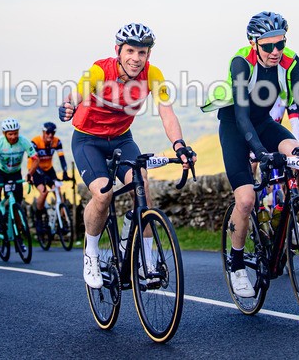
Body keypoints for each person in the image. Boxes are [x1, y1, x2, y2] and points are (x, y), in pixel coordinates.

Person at [201, 11, 299, 298]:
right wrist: (260, 153)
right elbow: (242, 115)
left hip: (264, 122)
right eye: (268, 46)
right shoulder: (241, 62)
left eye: (280, 44)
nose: (275, 52)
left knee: (295, 155)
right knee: (246, 200)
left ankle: (291, 215)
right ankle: (236, 265)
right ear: (253, 43)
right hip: (236, 125)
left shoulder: (291, 61)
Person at [58, 22, 196, 289]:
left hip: (122, 139)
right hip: (89, 140)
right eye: (130, 50)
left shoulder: (153, 74)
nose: (136, 58)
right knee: (103, 194)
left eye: (142, 52)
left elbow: (166, 112)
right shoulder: (101, 70)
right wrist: (69, 104)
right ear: (118, 50)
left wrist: (179, 144)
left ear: (148, 55)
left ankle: (145, 257)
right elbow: (80, 91)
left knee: (141, 186)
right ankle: (91, 253)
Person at [0, 118, 39, 208]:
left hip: (15, 171)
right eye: (10, 134)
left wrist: (30, 173)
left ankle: (17, 219)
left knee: (18, 200)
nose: (13, 137)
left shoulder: (23, 141)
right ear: (4, 134)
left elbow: (36, 159)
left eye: (15, 133)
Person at [29, 122, 70, 232]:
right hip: (35, 169)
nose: (50, 135)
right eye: (48, 132)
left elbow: (62, 158)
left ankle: (63, 221)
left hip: (49, 169)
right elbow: (34, 160)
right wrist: (41, 175)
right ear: (43, 132)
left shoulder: (57, 142)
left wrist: (65, 172)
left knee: (58, 191)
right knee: (44, 192)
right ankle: (38, 218)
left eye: (52, 133)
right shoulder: (35, 142)